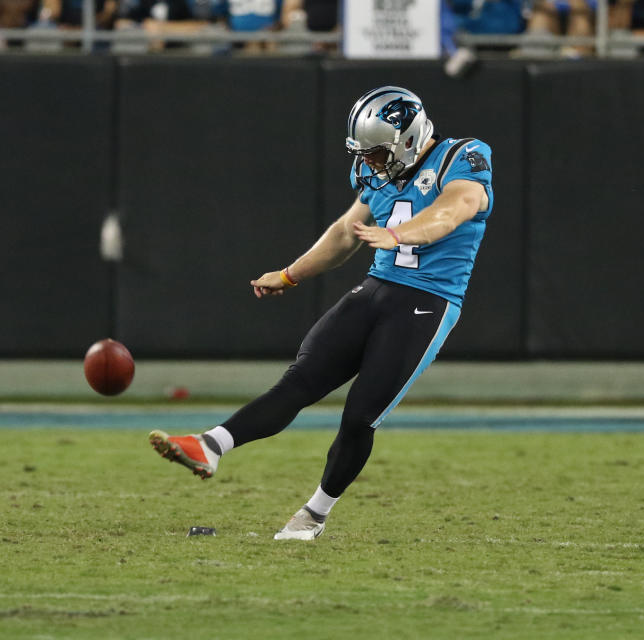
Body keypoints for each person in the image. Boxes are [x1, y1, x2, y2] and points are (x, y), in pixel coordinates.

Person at [148, 86, 494, 541]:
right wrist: (290, 274)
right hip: (374, 289)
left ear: (407, 140)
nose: (370, 162)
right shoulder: (377, 173)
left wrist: (401, 234)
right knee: (300, 380)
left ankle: (313, 515)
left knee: (359, 416)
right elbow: (344, 234)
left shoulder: (462, 157)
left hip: (426, 302)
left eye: (376, 153)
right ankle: (210, 444)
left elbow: (456, 209)